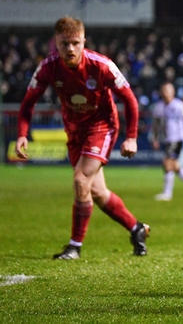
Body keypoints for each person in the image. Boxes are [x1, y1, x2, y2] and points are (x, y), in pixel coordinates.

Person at [15, 16, 150, 259]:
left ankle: (74, 246)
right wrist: (22, 134)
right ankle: (136, 228)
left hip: (101, 127)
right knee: (95, 192)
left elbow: (129, 98)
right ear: (56, 42)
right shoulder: (48, 67)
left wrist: (131, 137)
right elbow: (27, 103)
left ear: (84, 41)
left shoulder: (101, 65)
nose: (70, 49)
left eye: (75, 43)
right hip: (74, 130)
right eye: (64, 43)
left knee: (80, 180)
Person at [150, 81, 183, 201]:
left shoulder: (179, 105)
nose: (166, 93)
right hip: (167, 139)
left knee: (167, 163)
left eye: (168, 90)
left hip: (178, 138)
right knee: (174, 166)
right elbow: (156, 124)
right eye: (164, 90)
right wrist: (154, 138)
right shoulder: (159, 107)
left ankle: (167, 193)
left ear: (173, 92)